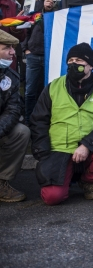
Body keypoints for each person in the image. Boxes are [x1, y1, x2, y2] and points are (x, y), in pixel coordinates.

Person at [29, 43, 93, 205]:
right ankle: (64, 177)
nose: (74, 64)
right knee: (52, 198)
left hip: (91, 148)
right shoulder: (53, 87)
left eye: (79, 61)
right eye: (71, 60)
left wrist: (87, 145)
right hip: (58, 149)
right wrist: (43, 154)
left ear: (90, 66)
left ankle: (88, 181)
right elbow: (38, 120)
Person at [0, 31, 30, 202]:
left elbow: (13, 110)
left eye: (13, 48)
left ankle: (1, 182)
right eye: (7, 48)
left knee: (21, 132)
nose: (12, 52)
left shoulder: (11, 77)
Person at [22, 0, 57, 124]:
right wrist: (26, 49)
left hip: (50, 57)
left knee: (46, 91)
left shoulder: (59, 14)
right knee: (30, 91)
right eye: (47, 0)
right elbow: (25, 31)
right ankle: (28, 119)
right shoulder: (34, 12)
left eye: (52, 0)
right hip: (34, 55)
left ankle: (43, 120)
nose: (49, 2)